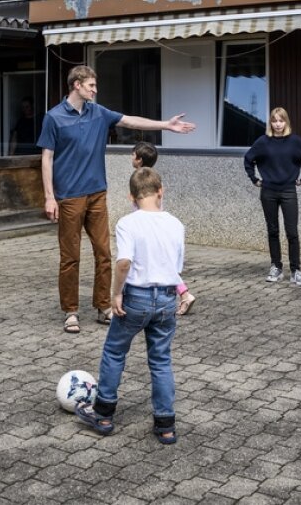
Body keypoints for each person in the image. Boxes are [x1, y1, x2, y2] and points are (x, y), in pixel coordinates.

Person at [38, 65, 196, 335]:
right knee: (70, 257)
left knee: (104, 253)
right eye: (91, 85)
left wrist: (165, 126)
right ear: (76, 85)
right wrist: (49, 197)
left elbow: (131, 120)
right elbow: (47, 158)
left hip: (97, 193)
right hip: (68, 197)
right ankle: (71, 311)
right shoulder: (54, 118)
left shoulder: (98, 113)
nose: (95, 90)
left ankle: (103, 307)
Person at [76, 167, 184, 444]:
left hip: (136, 296)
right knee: (160, 360)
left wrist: (116, 294)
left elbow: (123, 262)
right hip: (167, 297)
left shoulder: (127, 223)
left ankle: (103, 413)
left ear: (131, 197)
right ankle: (165, 424)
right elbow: (177, 265)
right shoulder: (176, 224)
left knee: (114, 351)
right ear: (161, 191)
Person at [243, 107, 301, 287]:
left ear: (286, 122)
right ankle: (276, 267)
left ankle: (296, 271)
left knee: (292, 232)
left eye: (281, 120)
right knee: (273, 231)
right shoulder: (263, 142)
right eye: (274, 121)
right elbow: (248, 160)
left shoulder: (295, 142)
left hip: (289, 191)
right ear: (270, 123)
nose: (277, 124)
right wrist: (255, 180)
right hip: (268, 192)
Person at [131, 142, 195, 315]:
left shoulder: (139, 178)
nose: (131, 157)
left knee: (160, 264)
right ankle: (184, 293)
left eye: (133, 155)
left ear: (139, 159)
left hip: (147, 228)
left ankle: (184, 294)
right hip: (156, 225)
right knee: (163, 262)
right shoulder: (154, 177)